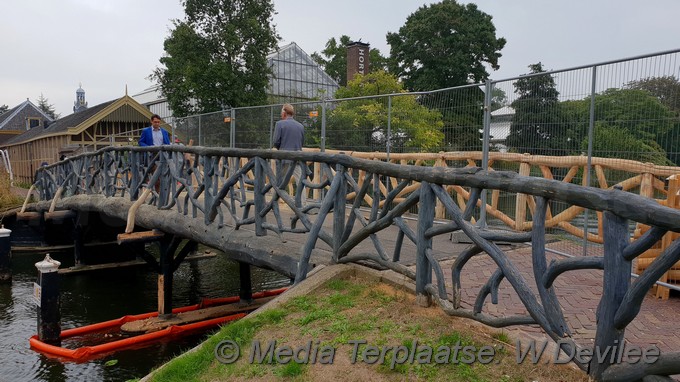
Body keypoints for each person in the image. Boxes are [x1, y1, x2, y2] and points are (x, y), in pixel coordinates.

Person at [273, 104, 306, 203]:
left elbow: (276, 142)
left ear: (284, 112)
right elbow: (301, 142)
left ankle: (275, 201)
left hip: (284, 157)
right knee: (300, 182)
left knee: (279, 181)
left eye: (281, 113)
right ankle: (303, 204)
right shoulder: (301, 126)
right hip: (297, 158)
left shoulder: (279, 124)